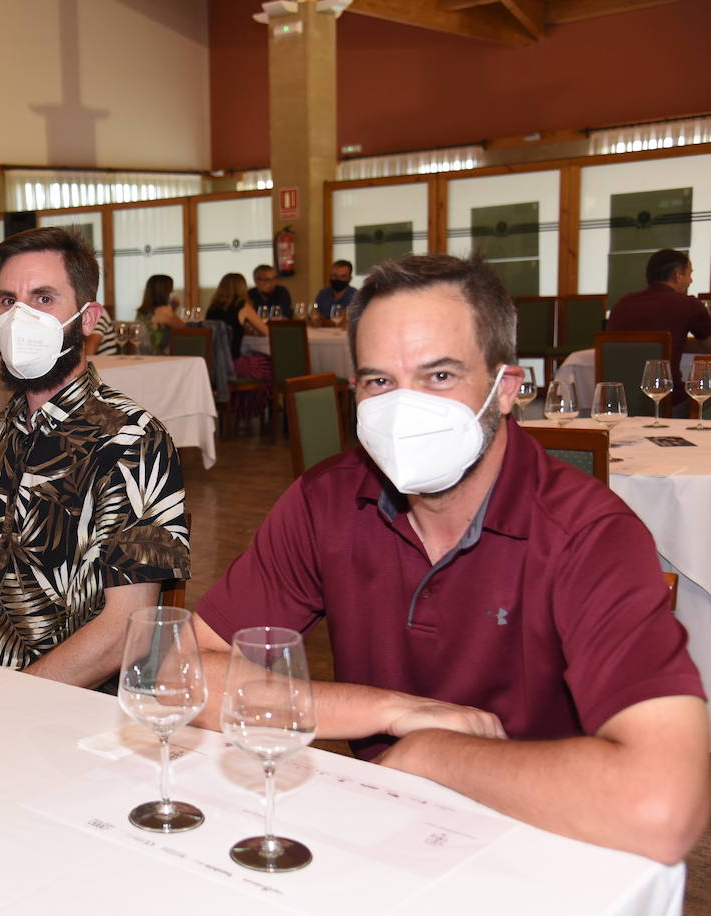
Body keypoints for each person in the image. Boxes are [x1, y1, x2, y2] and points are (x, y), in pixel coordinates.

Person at [192, 253, 708, 865]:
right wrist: (389, 710)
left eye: (439, 376)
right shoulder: (326, 501)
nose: (405, 408)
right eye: (379, 381)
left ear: (507, 389)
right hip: (383, 833)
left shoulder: (588, 534)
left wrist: (430, 753)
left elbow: (661, 806)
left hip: (548, 841)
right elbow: (189, 671)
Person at [0, 227, 189, 687]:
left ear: (88, 318)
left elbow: (126, 632)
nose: (20, 316)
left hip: (60, 702)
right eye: (8, 301)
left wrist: (12, 699)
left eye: (43, 299)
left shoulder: (133, 442)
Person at [606, 248, 711, 410]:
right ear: (677, 275)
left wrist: (680, 342)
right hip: (668, 403)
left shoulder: (622, 303)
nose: (690, 281)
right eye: (689, 274)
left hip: (617, 402)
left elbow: (645, 342)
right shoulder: (688, 305)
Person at [205, 272, 268, 359]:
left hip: (213, 359)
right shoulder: (242, 306)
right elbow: (266, 331)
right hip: (232, 359)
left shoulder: (213, 307)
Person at [136, 274, 185, 353]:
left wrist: (173, 310)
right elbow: (185, 330)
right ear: (164, 291)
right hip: (159, 357)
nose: (173, 291)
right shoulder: (164, 311)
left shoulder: (142, 312)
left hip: (143, 355)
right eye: (170, 289)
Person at [312, 259, 356, 326]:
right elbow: (316, 315)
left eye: (343, 276)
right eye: (334, 276)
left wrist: (325, 321)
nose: (338, 279)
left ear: (349, 278)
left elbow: (347, 322)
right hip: (323, 334)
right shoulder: (323, 293)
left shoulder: (355, 296)